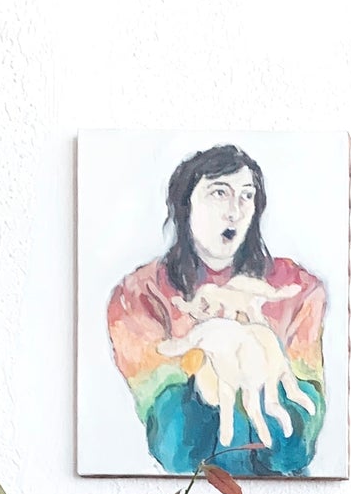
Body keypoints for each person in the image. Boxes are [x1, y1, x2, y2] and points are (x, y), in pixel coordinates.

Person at [107, 145, 327, 475]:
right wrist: (206, 378)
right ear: (185, 204)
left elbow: (296, 449)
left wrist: (261, 352)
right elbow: (175, 449)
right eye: (219, 192)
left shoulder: (297, 289)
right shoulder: (140, 294)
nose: (234, 212)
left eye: (246, 195)